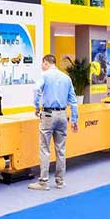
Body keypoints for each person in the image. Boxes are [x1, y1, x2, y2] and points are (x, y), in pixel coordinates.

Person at [30, 54, 79, 191]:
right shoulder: (66, 78)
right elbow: (73, 101)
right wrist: (74, 119)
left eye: (42, 64)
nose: (42, 66)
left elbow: (36, 89)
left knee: (45, 148)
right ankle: (60, 181)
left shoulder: (44, 75)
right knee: (61, 150)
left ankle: (43, 182)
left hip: (48, 114)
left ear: (46, 63)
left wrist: (36, 106)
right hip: (62, 115)